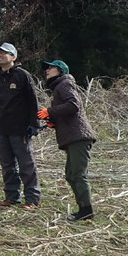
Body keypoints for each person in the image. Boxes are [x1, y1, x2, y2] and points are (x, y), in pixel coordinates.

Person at [37, 59, 97, 222]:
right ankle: (83, 209)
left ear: (61, 71)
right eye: (47, 68)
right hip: (73, 137)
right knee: (71, 175)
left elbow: (73, 106)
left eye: (51, 68)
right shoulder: (59, 87)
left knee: (77, 174)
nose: (47, 71)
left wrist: (49, 111)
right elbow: (66, 113)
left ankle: (86, 211)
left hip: (79, 137)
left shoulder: (64, 84)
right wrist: (51, 121)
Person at [0, 42, 41, 209]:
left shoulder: (22, 75)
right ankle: (12, 197)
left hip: (20, 129)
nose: (0, 55)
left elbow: (33, 101)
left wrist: (34, 124)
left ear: (14, 57)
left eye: (5, 53)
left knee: (26, 164)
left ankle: (32, 199)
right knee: (7, 165)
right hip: (2, 128)